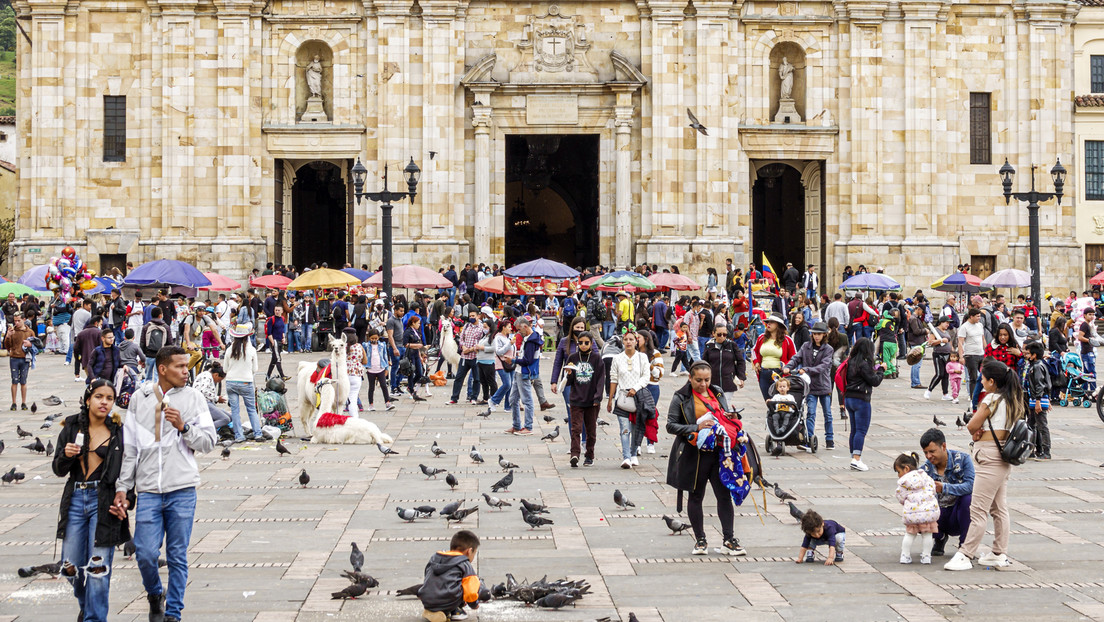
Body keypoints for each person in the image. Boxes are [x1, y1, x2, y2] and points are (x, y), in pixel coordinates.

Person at [115, 346, 217, 621]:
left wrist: (185, 427)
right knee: (145, 554)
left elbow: (209, 442)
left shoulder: (194, 398)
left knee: (176, 555)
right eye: (180, 366)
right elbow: (131, 448)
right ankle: (154, 592)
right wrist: (123, 487)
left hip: (182, 488)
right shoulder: (140, 398)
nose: (187, 371)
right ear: (162, 369)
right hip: (148, 490)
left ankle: (173, 613)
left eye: (187, 366)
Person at [52, 379, 132, 622]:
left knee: (98, 571)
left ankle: (94, 618)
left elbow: (128, 471)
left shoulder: (118, 431)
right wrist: (66, 456)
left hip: (104, 501)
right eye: (99, 397)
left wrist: (127, 499)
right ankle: (87, 607)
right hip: (76, 499)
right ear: (88, 399)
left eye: (109, 398)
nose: (104, 402)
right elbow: (58, 469)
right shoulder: (72, 426)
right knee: (70, 568)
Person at [944, 359, 1024, 571]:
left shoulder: (992, 399)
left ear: (992, 381)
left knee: (977, 509)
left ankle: (966, 554)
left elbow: (972, 424)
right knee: (998, 507)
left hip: (989, 457)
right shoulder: (1012, 399)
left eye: (983, 378)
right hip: (1003, 457)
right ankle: (998, 552)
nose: (981, 380)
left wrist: (976, 430)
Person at [665, 360, 746, 557]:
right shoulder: (681, 397)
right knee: (695, 496)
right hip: (694, 455)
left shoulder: (717, 392)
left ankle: (729, 539)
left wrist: (732, 417)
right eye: (699, 380)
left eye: (707, 380)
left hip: (719, 454)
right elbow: (670, 425)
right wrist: (696, 427)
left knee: (723, 496)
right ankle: (700, 540)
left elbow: (725, 416)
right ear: (690, 378)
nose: (703, 384)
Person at [919, 428, 975, 558]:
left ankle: (965, 547)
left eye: (932, 451)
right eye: (925, 453)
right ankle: (939, 537)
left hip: (957, 513)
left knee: (968, 499)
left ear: (943, 446)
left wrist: (944, 487)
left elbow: (971, 486)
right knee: (915, 505)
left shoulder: (963, 459)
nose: (928, 456)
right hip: (938, 515)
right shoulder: (925, 469)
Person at [785, 321, 834, 450]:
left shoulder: (828, 349)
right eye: (814, 334)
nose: (816, 336)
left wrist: (807, 369)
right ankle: (809, 438)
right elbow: (796, 358)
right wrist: (788, 367)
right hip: (810, 386)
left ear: (824, 335)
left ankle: (830, 438)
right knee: (810, 413)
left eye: (819, 334)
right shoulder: (806, 346)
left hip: (823, 385)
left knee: (827, 413)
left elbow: (823, 366)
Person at [608, 332, 652, 469]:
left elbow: (646, 376)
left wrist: (635, 388)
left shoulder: (642, 357)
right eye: (625, 339)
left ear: (636, 341)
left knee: (636, 427)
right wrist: (610, 399)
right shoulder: (617, 358)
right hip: (622, 397)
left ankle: (633, 453)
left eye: (631, 339)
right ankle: (626, 457)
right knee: (624, 428)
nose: (628, 342)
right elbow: (613, 378)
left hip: (638, 396)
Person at [418, 530, 482, 622]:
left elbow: (427, 576)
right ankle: (454, 611)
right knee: (471, 583)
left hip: (427, 600)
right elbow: (470, 592)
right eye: (474, 553)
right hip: (447, 601)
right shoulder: (464, 563)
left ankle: (433, 611)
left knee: (445, 582)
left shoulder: (435, 558)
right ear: (469, 551)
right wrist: (474, 604)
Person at [564, 331, 605, 468]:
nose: (583, 345)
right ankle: (574, 454)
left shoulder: (596, 358)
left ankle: (589, 455)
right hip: (576, 398)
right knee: (576, 428)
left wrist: (598, 397)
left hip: (592, 400)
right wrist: (569, 374)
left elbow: (600, 379)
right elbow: (569, 382)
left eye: (586, 343)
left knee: (591, 430)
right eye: (580, 343)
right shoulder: (573, 357)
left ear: (591, 343)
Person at [844, 337, 884, 472]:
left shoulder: (851, 361)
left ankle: (853, 457)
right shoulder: (863, 364)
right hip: (861, 399)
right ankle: (856, 459)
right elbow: (874, 381)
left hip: (849, 398)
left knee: (854, 430)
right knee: (861, 430)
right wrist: (881, 370)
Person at [894, 452, 940, 565]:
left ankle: (905, 556)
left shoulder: (904, 482)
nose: (898, 475)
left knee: (910, 534)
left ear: (906, 468)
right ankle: (926, 556)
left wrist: (906, 502)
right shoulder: (925, 476)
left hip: (912, 514)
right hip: (928, 513)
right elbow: (933, 490)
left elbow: (900, 496)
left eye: (898, 471)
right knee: (928, 535)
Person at [222, 324, 262, 442]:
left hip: (231, 382)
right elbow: (255, 369)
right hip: (246, 382)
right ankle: (258, 433)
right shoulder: (251, 350)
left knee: (235, 410)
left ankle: (239, 436)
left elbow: (225, 369)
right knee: (251, 409)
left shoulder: (230, 350)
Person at [751, 314, 796, 401]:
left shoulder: (787, 340)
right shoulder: (761, 338)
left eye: (772, 322)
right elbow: (754, 350)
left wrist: (785, 365)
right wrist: (756, 362)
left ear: (778, 325)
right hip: (763, 373)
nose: (768, 324)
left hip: (779, 374)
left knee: (779, 401)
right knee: (768, 401)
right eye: (767, 322)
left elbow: (794, 358)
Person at [508, 318, 541, 435]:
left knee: (527, 400)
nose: (518, 332)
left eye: (519, 329)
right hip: (519, 371)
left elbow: (528, 360)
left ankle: (528, 426)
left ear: (525, 327)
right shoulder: (528, 338)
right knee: (512, 399)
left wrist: (513, 359)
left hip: (525, 372)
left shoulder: (531, 341)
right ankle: (516, 425)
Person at [1021, 341, 1052, 460]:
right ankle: (1032, 449)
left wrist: (1039, 400)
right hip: (1036, 400)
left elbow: (1040, 384)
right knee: (1031, 425)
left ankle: (1046, 451)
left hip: (1037, 400)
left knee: (1041, 426)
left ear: (1034, 355)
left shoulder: (1037, 367)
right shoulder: (1038, 365)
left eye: (1028, 354)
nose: (1026, 355)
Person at [4, 312, 36, 410]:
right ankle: (14, 403)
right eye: (15, 321)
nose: (16, 323)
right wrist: (8, 336)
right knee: (14, 380)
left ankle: (23, 402)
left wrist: (30, 345)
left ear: (23, 320)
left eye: (18, 320)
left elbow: (36, 346)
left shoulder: (29, 332)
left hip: (25, 358)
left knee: (23, 381)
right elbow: (7, 346)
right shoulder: (12, 331)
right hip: (14, 357)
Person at [703, 324, 740, 405]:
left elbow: (740, 361)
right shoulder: (709, 345)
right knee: (714, 406)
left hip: (728, 382)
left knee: (725, 406)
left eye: (724, 334)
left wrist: (741, 377)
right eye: (719, 334)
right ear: (714, 333)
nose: (722, 336)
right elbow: (704, 363)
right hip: (713, 383)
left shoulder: (732, 345)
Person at [957, 308, 987, 404]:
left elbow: (983, 339)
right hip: (970, 355)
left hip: (981, 353)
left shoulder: (980, 325)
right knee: (973, 377)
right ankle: (973, 397)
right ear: (971, 316)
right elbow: (960, 342)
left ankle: (982, 394)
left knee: (984, 375)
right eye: (977, 316)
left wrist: (986, 351)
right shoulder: (964, 327)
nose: (979, 318)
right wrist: (961, 356)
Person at [192, 362, 232, 432]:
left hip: (208, 403)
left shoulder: (208, 375)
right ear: (216, 375)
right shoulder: (207, 376)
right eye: (219, 379)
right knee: (225, 419)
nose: (218, 381)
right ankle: (204, 430)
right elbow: (203, 391)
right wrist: (216, 398)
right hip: (202, 403)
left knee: (231, 417)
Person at [924, 316, 954, 400]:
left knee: (946, 375)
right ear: (941, 322)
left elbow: (949, 342)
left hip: (947, 354)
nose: (948, 325)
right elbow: (930, 342)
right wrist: (940, 341)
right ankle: (929, 390)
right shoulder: (935, 331)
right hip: (938, 354)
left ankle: (945, 394)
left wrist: (953, 352)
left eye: (948, 323)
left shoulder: (946, 332)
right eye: (946, 323)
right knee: (939, 374)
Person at [364, 328, 394, 411]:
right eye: (372, 338)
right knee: (371, 387)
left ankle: (387, 402)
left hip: (381, 368)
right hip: (371, 369)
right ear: (369, 338)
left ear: (379, 337)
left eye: (376, 338)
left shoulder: (382, 345)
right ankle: (371, 404)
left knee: (384, 386)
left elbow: (385, 356)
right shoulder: (366, 346)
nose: (374, 340)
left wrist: (387, 368)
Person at [140, 307, 172, 383]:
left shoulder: (146, 327)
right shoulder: (166, 327)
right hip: (161, 355)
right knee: (158, 376)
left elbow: (142, 342)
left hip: (149, 354)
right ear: (160, 315)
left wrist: (145, 353)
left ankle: (147, 391)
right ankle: (157, 392)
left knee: (148, 376)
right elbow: (170, 343)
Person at [342, 327, 366, 418]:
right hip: (356, 375)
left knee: (341, 399)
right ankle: (355, 419)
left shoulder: (342, 347)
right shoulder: (359, 346)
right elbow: (365, 361)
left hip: (344, 374)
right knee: (353, 398)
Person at [403, 315, 428, 401]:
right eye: (418, 323)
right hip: (410, 354)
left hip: (416, 354)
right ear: (413, 323)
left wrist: (421, 356)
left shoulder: (417, 332)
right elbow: (405, 344)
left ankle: (410, 386)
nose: (419, 325)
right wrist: (416, 345)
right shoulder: (407, 331)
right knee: (411, 371)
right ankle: (411, 389)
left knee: (419, 373)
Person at [264, 306, 288, 379]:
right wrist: (273, 342)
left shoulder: (282, 319)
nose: (277, 311)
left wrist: (283, 338)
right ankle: (282, 376)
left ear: (282, 311)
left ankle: (268, 375)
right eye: (276, 310)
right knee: (278, 358)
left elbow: (282, 330)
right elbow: (269, 333)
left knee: (274, 359)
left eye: (278, 310)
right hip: (274, 340)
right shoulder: (272, 319)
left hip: (280, 340)